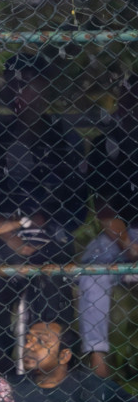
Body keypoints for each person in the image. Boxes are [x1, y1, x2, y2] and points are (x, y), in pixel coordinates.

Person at [0, 52, 81, 374]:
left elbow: (74, 204)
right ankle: (2, 367)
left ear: (44, 88)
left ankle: (48, 371)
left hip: (51, 237)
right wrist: (13, 239)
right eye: (15, 86)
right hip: (4, 239)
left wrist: (41, 234)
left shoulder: (63, 137)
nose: (21, 94)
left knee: (50, 288)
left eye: (29, 86)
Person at [80, 74, 138, 378]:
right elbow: (103, 207)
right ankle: (98, 366)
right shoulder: (106, 143)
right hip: (122, 235)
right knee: (93, 265)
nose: (129, 106)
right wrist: (128, 245)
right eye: (126, 99)